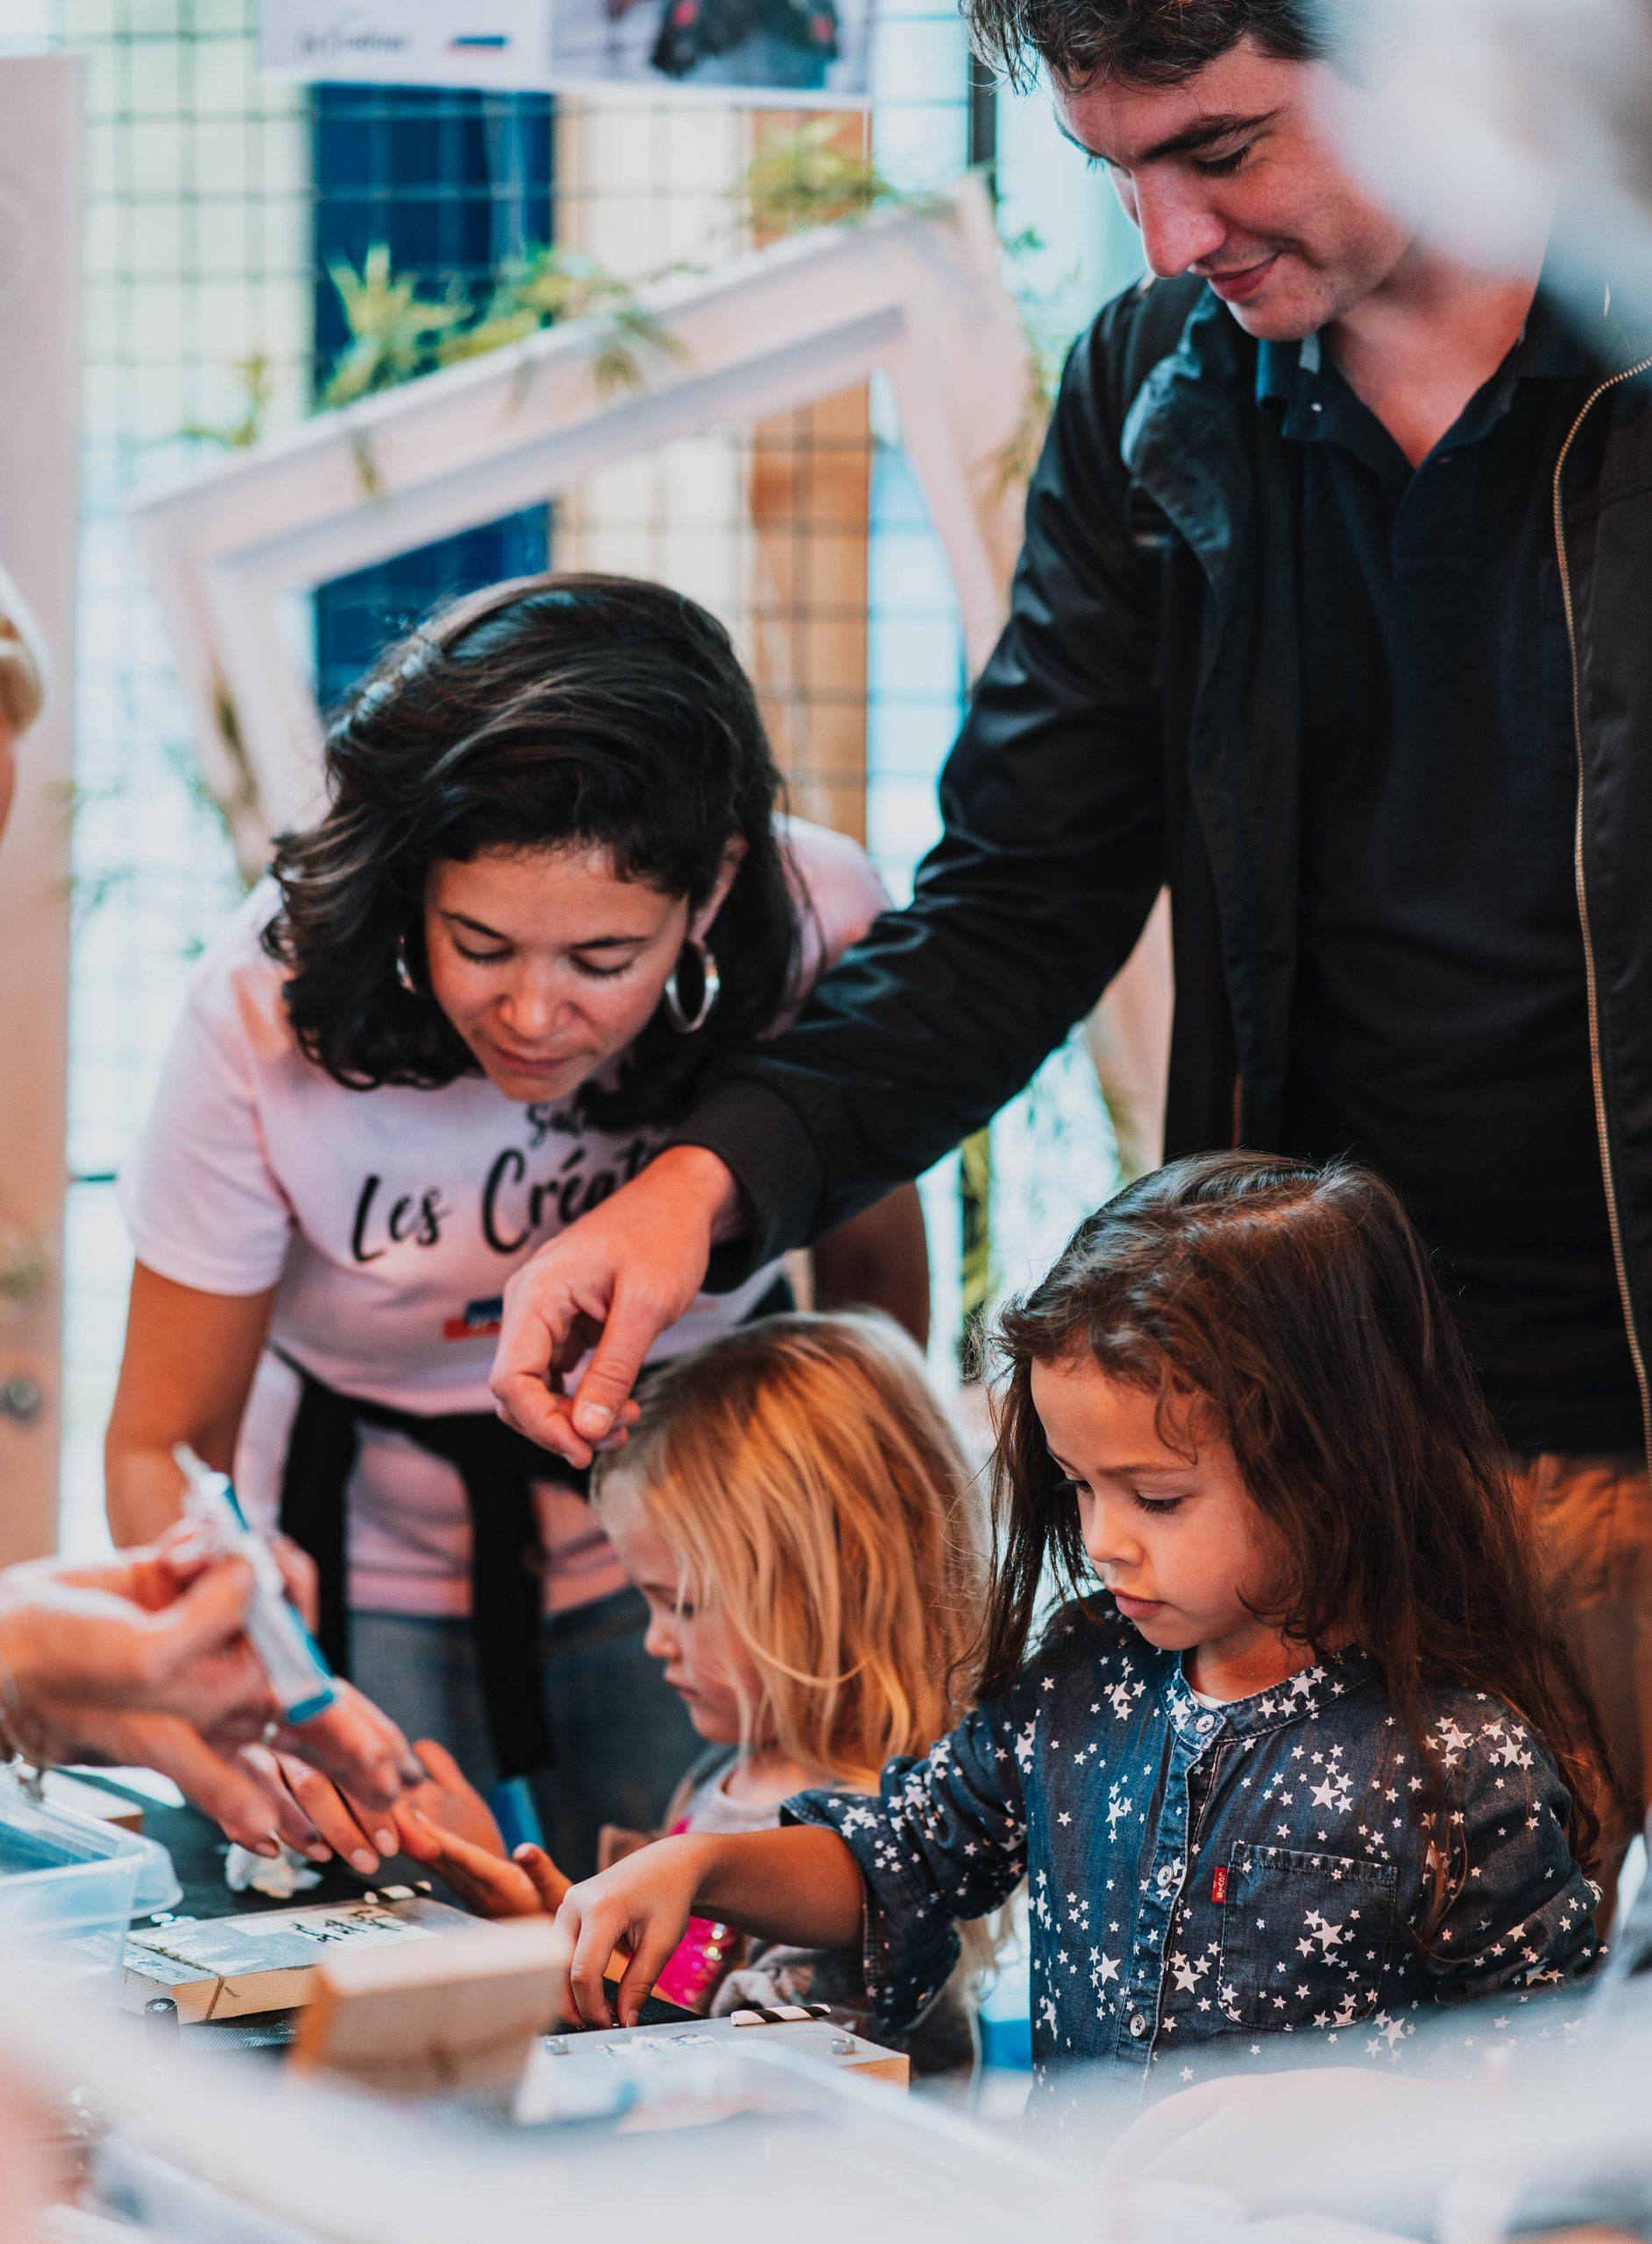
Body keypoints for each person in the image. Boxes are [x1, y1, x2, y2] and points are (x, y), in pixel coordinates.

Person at [486, 0, 1652, 1885]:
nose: (1170, 238)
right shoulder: (1158, 390)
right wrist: (701, 1185)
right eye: (1115, 170)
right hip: (1327, 1464)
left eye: (1220, 149)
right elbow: (1021, 898)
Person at [104, 572, 926, 1878]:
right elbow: (161, 1440)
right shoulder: (259, 1007)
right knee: (385, 1935)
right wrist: (240, 1651)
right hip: (359, 1546)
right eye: (479, 943)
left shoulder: (818, 924)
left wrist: (849, 1574)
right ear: (412, 883)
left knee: (718, 1961)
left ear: (709, 894)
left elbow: (871, 1300)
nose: (536, 1017)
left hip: (697, 1547)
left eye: (603, 961)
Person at [530, 1156, 1615, 2112]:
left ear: (1325, 1468)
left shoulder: (1458, 1758)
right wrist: (705, 1864)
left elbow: (1548, 2061)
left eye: (1155, 1497)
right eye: (1077, 1487)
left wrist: (1370, 2107)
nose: (1102, 1541)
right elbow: (897, 1856)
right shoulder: (1086, 1677)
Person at [389, 1310, 985, 2074]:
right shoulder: (726, 1776)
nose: (654, 1640)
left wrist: (538, 1958)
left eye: (685, 1605)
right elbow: (671, 2003)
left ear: (826, 1590)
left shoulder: (869, 1851)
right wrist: (543, 1926)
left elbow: (716, 2087)